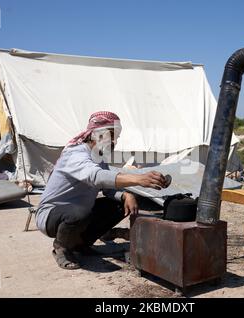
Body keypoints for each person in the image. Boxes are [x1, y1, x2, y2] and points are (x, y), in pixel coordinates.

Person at [36, 111, 167, 270]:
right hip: (51, 215)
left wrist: (126, 195)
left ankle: (80, 245)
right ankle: (62, 248)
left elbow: (106, 188)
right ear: (95, 135)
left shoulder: (98, 158)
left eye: (115, 136)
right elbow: (95, 176)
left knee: (118, 205)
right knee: (79, 213)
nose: (113, 141)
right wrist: (138, 179)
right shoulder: (75, 154)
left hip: (79, 211)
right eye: (109, 135)